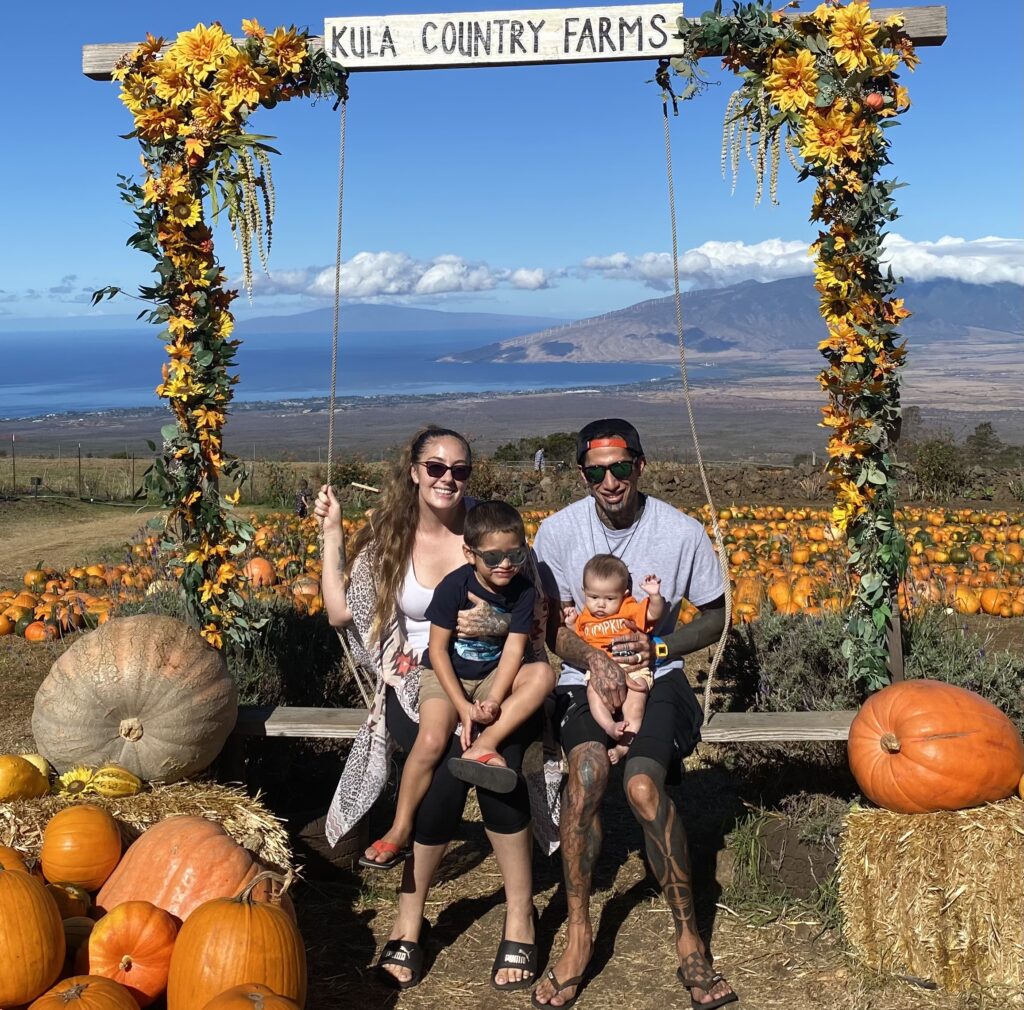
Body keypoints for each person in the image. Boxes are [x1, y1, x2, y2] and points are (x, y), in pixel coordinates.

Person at [316, 427, 555, 992]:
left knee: (501, 771)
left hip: (499, 678)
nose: (448, 478)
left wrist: (496, 629)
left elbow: (536, 619)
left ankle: (519, 916)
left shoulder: (492, 532)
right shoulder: (389, 537)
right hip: (416, 680)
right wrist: (332, 535)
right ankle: (409, 918)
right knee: (447, 770)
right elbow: (337, 612)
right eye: (436, 467)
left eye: (460, 469)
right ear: (415, 472)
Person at [531, 419, 738, 1009]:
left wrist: (660, 648)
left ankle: (690, 940)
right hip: (580, 682)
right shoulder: (557, 532)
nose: (610, 480)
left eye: (620, 467)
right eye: (597, 470)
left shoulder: (680, 531)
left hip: (659, 679)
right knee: (588, 776)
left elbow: (716, 614)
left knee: (644, 787)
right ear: (582, 474)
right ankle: (578, 934)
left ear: (640, 466)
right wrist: (592, 659)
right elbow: (551, 626)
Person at [360, 499, 554, 869]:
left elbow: (515, 650)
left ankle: (485, 743)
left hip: (494, 674)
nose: (506, 565)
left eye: (515, 554)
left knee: (543, 674)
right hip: (446, 673)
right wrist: (463, 707)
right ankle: (400, 828)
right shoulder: (453, 586)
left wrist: (494, 701)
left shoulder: (524, 591)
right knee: (432, 740)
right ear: (469, 553)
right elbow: (437, 649)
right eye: (493, 557)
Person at [564, 553, 664, 764]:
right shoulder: (585, 618)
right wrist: (571, 624)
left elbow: (652, 615)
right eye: (593, 597)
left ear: (624, 594)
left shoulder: (628, 609)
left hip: (632, 666)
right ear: (584, 593)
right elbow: (577, 641)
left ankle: (623, 746)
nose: (600, 605)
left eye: (610, 599)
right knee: (593, 693)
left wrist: (655, 597)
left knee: (635, 703)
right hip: (601, 670)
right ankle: (609, 726)